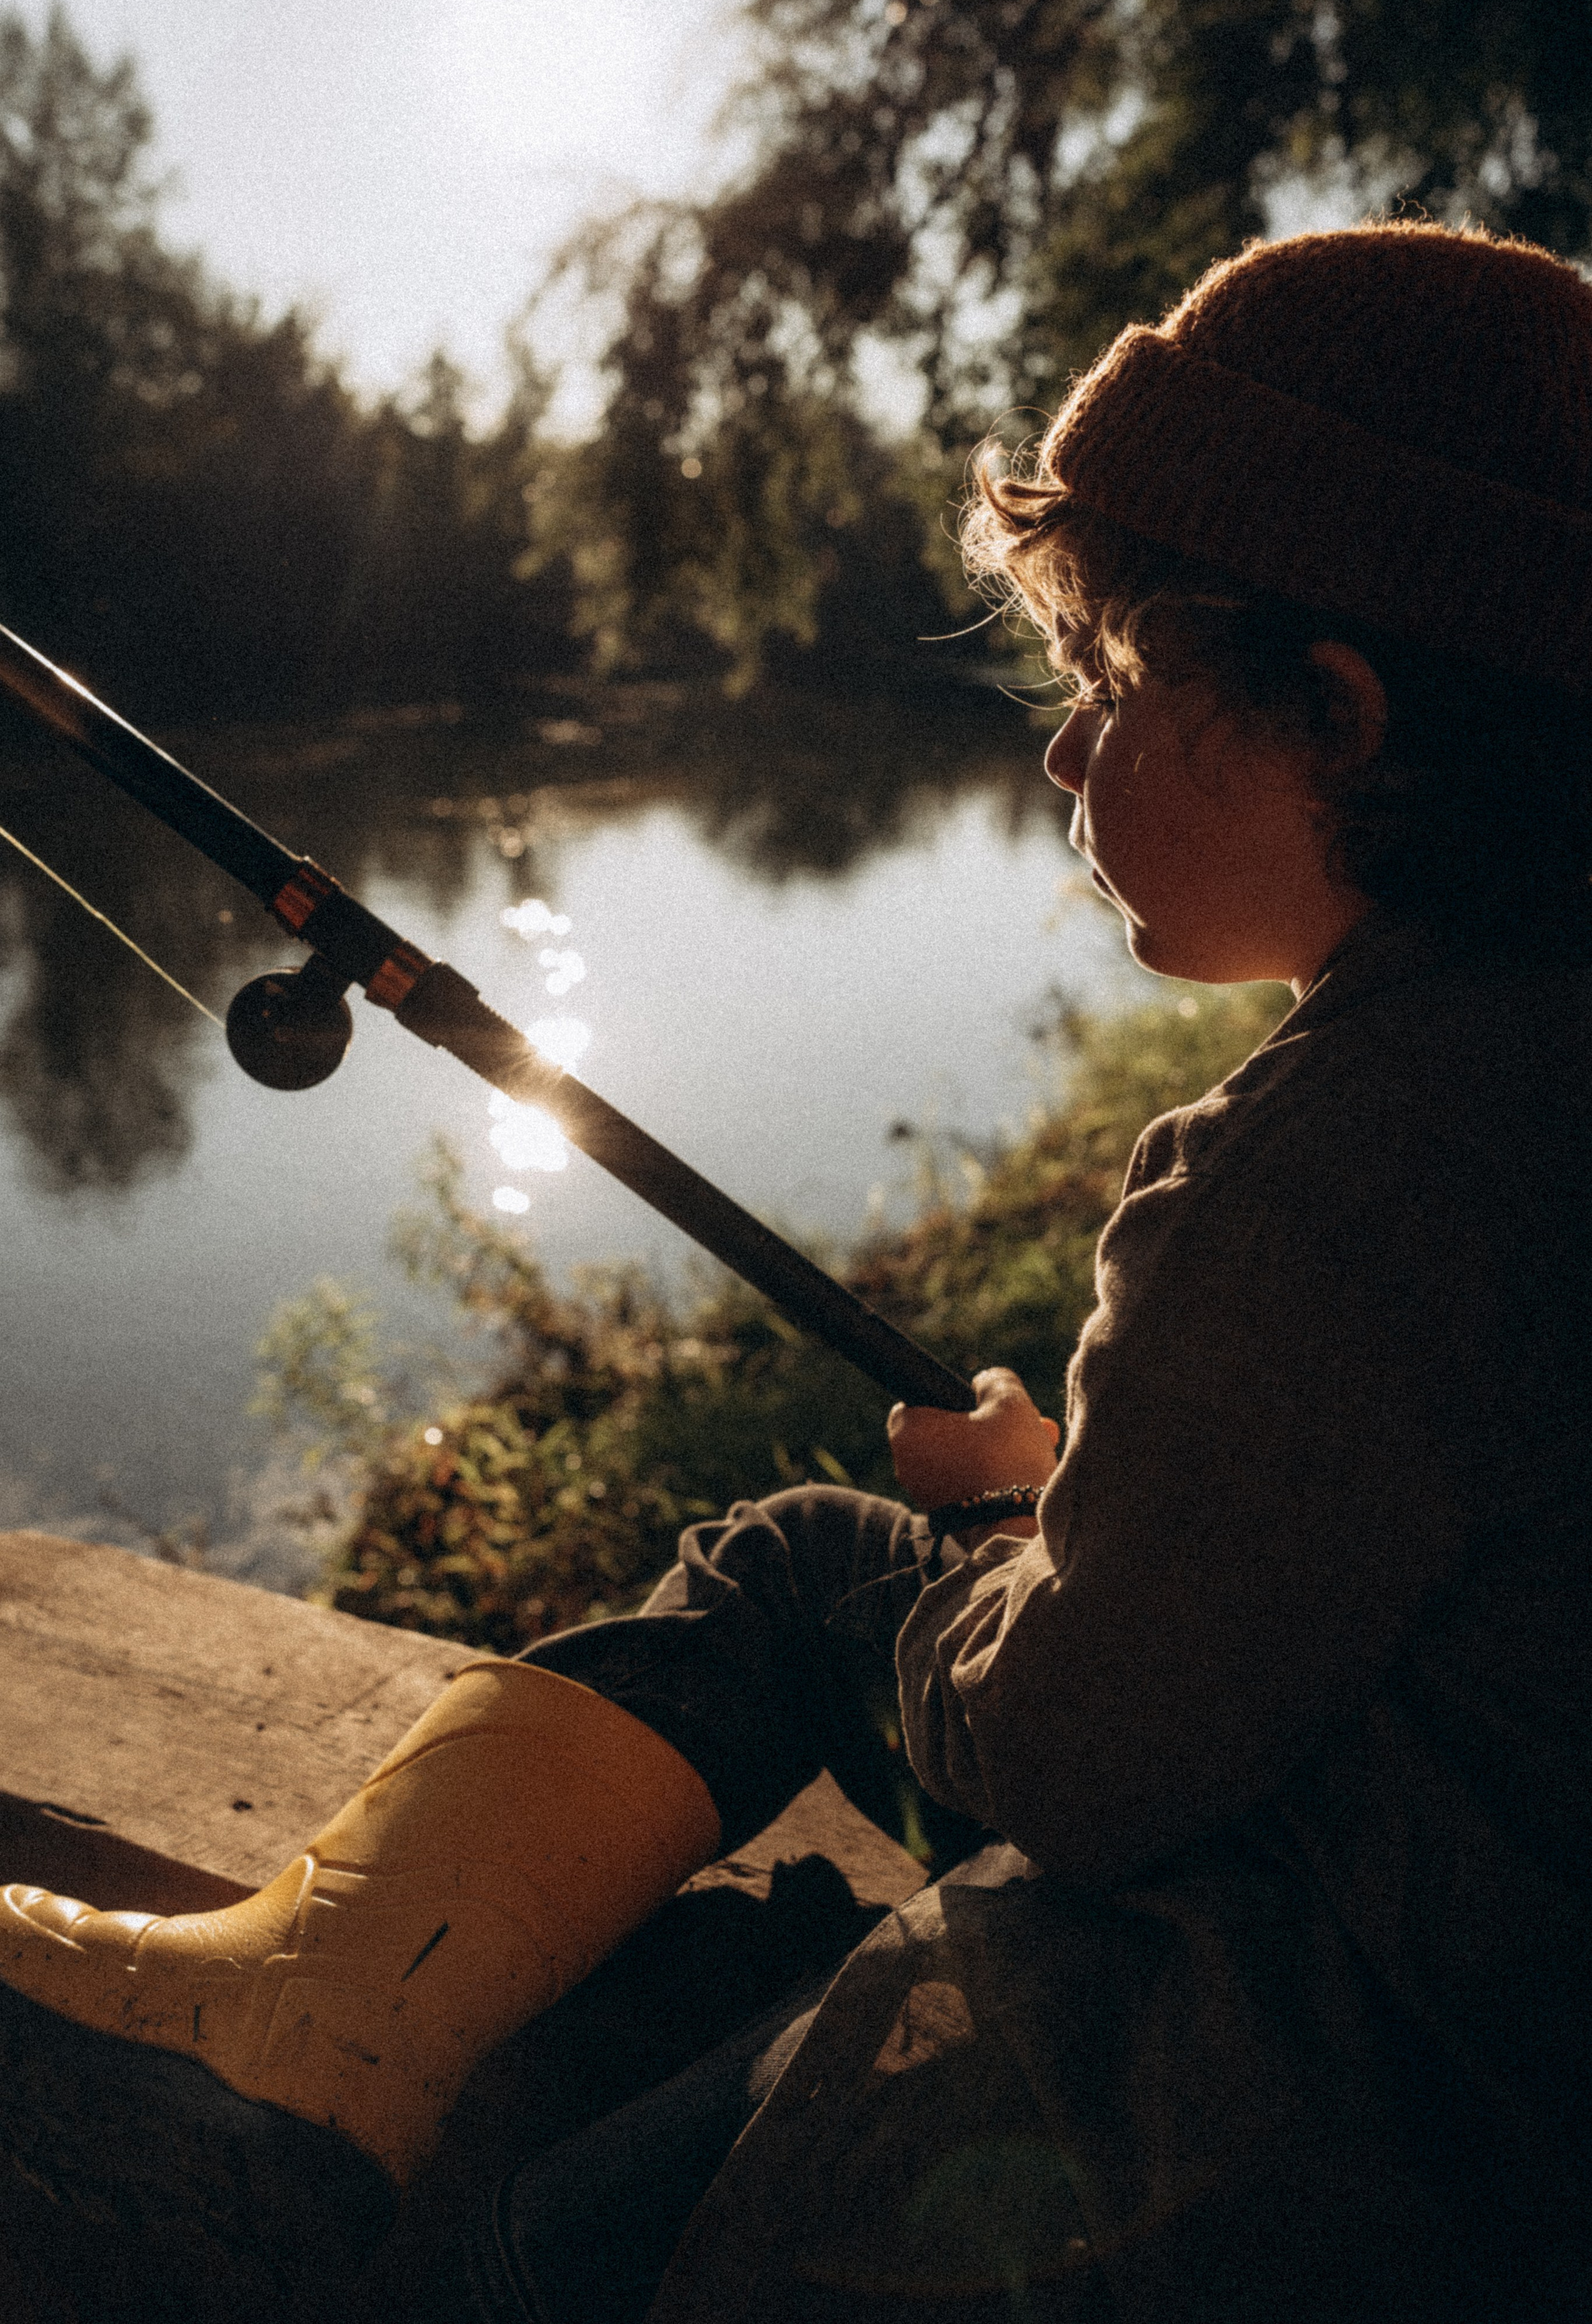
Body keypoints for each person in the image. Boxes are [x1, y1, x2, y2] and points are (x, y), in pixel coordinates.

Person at [2, 219, 1590, 2324]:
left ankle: (329, 2081)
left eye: (1112, 686)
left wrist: (1026, 1548)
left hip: (1338, 2087)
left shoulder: (1319, 1177)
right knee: (820, 1553)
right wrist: (1072, 1503)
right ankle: (318, 1999)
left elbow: (1081, 1763)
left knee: (522, 2257)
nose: (1057, 752)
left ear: (1342, 715)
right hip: (1489, 1949)